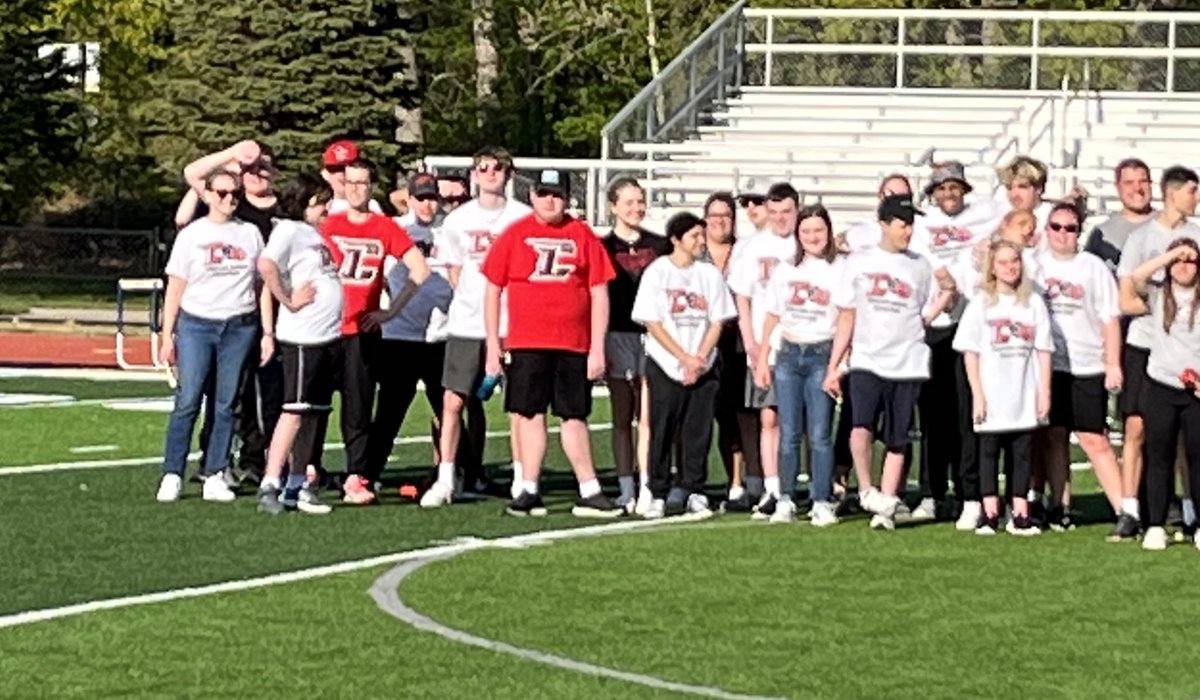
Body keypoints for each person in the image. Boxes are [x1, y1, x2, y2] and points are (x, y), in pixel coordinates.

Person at [481, 169, 622, 518]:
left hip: (572, 343)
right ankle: (529, 487)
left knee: (574, 415)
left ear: (567, 198)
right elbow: (493, 289)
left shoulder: (582, 234)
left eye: (556, 195)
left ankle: (589, 489)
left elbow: (599, 292)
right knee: (530, 414)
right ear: (532, 195)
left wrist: (597, 347)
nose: (549, 201)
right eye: (543, 193)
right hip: (527, 341)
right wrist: (493, 344)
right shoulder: (515, 234)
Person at [823, 194, 957, 531]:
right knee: (861, 425)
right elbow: (847, 314)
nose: (907, 231)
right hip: (868, 357)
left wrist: (942, 299)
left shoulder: (920, 265)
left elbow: (923, 310)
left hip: (908, 360)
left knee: (898, 437)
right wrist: (834, 365)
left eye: (910, 224)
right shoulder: (860, 261)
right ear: (884, 224)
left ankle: (886, 502)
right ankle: (866, 489)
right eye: (901, 224)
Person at [306, 158, 431, 505]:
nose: (357, 189)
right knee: (314, 402)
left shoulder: (383, 226)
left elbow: (419, 269)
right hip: (324, 326)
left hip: (360, 330)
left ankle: (356, 475)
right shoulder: (328, 224)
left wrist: (390, 311)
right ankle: (307, 468)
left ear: (372, 186)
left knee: (358, 406)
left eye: (363, 183)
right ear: (342, 185)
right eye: (351, 182)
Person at [420, 147, 532, 508]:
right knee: (453, 400)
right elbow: (454, 269)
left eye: (498, 168)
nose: (490, 173)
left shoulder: (523, 217)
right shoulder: (458, 220)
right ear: (473, 174)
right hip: (468, 322)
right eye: (483, 168)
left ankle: (522, 477)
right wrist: (473, 299)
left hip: (513, 323)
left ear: (509, 174)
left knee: (518, 407)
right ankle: (446, 477)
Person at [156, 170, 269, 503]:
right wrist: (167, 335)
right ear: (208, 195)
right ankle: (172, 472)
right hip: (197, 324)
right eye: (221, 193)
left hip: (239, 325)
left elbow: (260, 285)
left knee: (226, 403)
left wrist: (267, 331)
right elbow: (175, 286)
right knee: (188, 399)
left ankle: (215, 471)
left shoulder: (250, 233)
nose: (229, 199)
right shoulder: (192, 235)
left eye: (235, 194)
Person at [175, 139, 282, 486]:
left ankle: (254, 459)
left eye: (263, 167)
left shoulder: (283, 209)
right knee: (220, 395)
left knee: (262, 393)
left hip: (267, 311)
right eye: (250, 168)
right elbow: (193, 174)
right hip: (222, 314)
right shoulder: (231, 202)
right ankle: (213, 461)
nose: (256, 174)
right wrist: (233, 153)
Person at [910, 161, 1005, 525]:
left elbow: (1022, 213)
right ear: (932, 193)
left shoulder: (985, 214)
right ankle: (932, 492)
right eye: (941, 188)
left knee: (968, 414)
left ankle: (970, 494)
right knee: (934, 415)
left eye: (954, 187)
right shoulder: (922, 224)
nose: (948, 194)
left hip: (971, 323)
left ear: (964, 190)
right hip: (934, 325)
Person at [1114, 165, 1200, 540]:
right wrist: (1160, 303)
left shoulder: (1197, 235)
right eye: (1192, 191)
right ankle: (1131, 507)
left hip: (1187, 349)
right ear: (1173, 193)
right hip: (1146, 342)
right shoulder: (1143, 237)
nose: (1196, 198)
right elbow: (1125, 295)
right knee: (1138, 427)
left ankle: (1189, 507)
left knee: (1187, 436)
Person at [632, 212, 736, 519]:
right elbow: (653, 322)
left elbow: (717, 320)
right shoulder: (658, 272)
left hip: (703, 365)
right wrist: (682, 357)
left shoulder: (709, 274)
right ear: (676, 240)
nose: (701, 241)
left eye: (702, 235)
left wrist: (699, 357)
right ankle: (657, 490)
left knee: (698, 430)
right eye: (694, 236)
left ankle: (694, 489)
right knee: (662, 428)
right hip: (666, 363)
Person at [365, 172, 462, 495]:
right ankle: (369, 473)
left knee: (449, 407)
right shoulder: (395, 227)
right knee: (390, 409)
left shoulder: (449, 230)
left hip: (441, 333)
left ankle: (458, 471)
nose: (427, 205)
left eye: (432, 198)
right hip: (400, 334)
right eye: (420, 198)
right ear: (409, 199)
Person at [1033, 203, 1125, 531]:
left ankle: (1124, 509)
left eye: (1070, 228)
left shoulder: (1093, 267)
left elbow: (1109, 317)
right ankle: (1060, 506)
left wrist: (1112, 362)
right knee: (1054, 436)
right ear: (1047, 230)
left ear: (1079, 232)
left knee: (1094, 439)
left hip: (1087, 365)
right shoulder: (1035, 266)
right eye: (1056, 227)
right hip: (1050, 365)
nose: (1063, 234)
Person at [255, 173, 342, 515]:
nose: (327, 209)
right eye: (320, 203)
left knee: (315, 413)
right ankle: (270, 483)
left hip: (327, 335)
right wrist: (288, 299)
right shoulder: (289, 230)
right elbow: (266, 265)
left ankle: (298, 485)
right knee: (294, 410)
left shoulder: (313, 234)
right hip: (304, 336)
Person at [953, 239, 1052, 535]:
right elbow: (970, 352)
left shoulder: (1033, 303)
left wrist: (1044, 392)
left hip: (1023, 391)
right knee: (988, 452)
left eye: (1014, 261)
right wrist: (978, 394)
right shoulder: (981, 304)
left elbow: (1043, 350)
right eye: (1003, 262)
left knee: (1021, 452)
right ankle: (989, 514)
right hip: (991, 392)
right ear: (992, 268)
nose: (1010, 267)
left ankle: (1020, 515)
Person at [753, 204, 844, 526]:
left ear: (828, 231)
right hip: (789, 354)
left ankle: (821, 499)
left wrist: (836, 365)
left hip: (822, 352)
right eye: (806, 231)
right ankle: (786, 498)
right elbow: (772, 315)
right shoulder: (785, 269)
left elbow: (846, 317)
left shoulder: (839, 269)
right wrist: (762, 358)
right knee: (789, 432)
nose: (813, 236)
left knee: (819, 433)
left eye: (818, 230)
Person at [728, 182, 800, 518]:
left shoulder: (806, 241)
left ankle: (802, 486)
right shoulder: (753, 246)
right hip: (764, 345)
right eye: (774, 212)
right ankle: (773, 487)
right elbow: (742, 297)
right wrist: (750, 342)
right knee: (769, 417)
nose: (781, 218)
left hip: (803, 341)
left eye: (787, 211)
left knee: (799, 421)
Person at [600, 177, 672, 508]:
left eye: (640, 201)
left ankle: (647, 485)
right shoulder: (602, 246)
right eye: (628, 202)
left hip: (653, 335)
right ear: (613, 206)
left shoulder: (660, 245)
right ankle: (625, 486)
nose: (636, 208)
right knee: (621, 415)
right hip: (616, 333)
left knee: (648, 416)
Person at [1126, 238, 1200, 551]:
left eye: (1190, 261)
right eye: (1178, 262)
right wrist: (1169, 255)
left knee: (1197, 457)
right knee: (1159, 456)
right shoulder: (1159, 295)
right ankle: (1155, 524)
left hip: (1195, 391)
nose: (1183, 266)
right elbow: (1135, 278)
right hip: (1160, 385)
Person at [701, 192, 764, 511]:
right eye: (714, 215)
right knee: (714, 415)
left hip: (739, 341)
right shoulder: (694, 253)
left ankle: (749, 482)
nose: (720, 221)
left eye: (725, 215)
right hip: (702, 343)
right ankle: (727, 480)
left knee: (744, 413)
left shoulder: (745, 251)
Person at [321, 139, 383, 214]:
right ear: (324, 173)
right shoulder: (319, 208)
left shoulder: (371, 207)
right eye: (335, 169)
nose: (343, 174)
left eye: (350, 167)